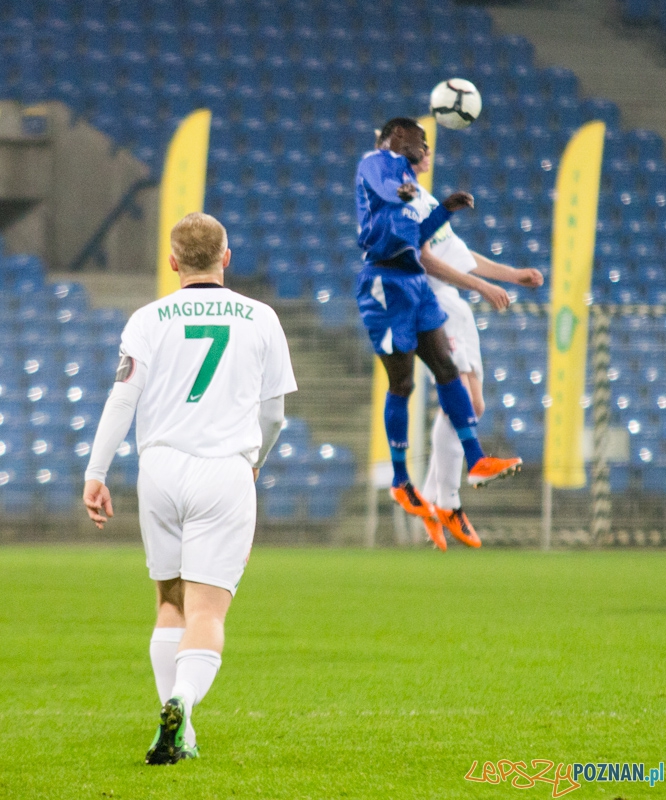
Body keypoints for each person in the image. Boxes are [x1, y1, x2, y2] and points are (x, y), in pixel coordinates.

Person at [82, 212, 297, 764]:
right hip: (224, 469)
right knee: (207, 612)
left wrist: (96, 473)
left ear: (172, 261)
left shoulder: (148, 319)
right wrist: (256, 464)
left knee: (170, 601)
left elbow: (123, 399)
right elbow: (273, 417)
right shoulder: (261, 317)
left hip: (160, 469)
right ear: (227, 257)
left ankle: (175, 729)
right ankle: (181, 701)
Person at [355, 116, 522, 548]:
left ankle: (476, 460)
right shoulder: (378, 162)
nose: (425, 147)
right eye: (420, 140)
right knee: (403, 383)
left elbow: (419, 237)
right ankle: (401, 480)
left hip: (415, 284)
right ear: (399, 138)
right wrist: (402, 191)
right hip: (384, 284)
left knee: (448, 373)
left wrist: (444, 209)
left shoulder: (413, 183)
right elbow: (382, 190)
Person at [410, 151, 544, 548]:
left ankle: (432, 497)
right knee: (462, 400)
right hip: (432, 302)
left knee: (474, 406)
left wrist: (512, 275)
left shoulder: (424, 199)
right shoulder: (400, 201)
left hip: (453, 302)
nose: (427, 153)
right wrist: (482, 287)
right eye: (419, 146)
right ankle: (447, 500)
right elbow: (423, 259)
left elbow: (459, 255)